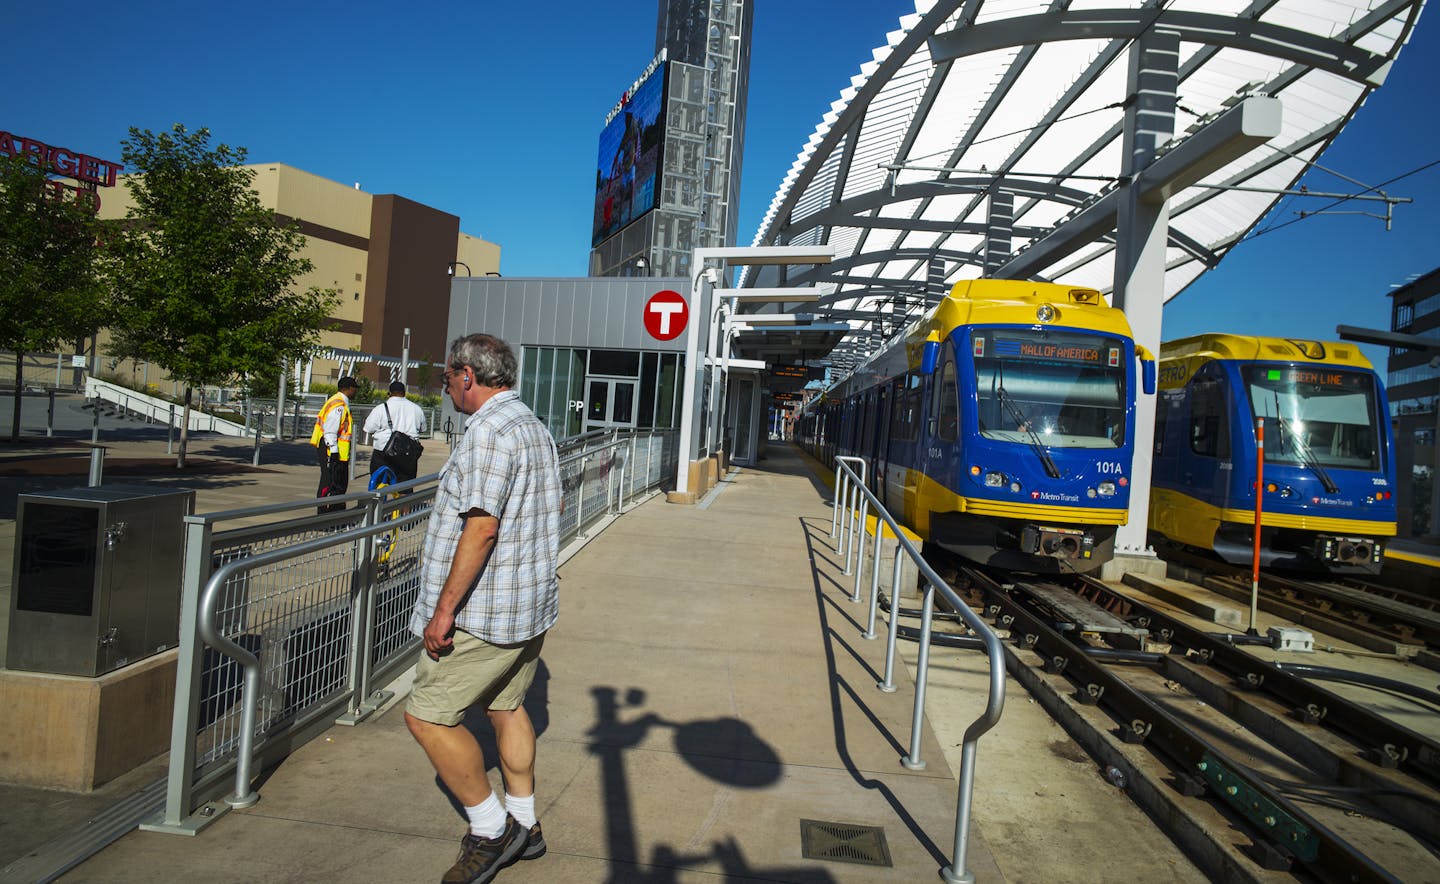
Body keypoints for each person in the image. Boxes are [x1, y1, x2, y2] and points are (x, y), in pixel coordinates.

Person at [405, 334, 561, 884]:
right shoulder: (532, 427)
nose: (446, 385)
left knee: (426, 716)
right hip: (528, 607)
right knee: (506, 708)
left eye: (448, 377)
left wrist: (444, 612)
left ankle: (492, 830)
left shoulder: (489, 434)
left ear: (467, 376)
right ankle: (526, 824)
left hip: (485, 615)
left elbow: (482, 527)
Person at [364, 381, 428, 483]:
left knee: (378, 486)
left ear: (389, 393)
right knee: (404, 487)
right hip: (407, 454)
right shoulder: (417, 409)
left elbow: (368, 428)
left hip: (383, 451)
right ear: (404, 393)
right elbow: (423, 429)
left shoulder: (381, 408)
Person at [310, 376, 357, 513]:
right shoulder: (339, 406)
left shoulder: (339, 402)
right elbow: (330, 431)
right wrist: (334, 453)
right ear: (349, 389)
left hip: (334, 450)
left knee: (339, 483)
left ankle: (335, 514)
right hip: (331, 450)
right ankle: (325, 515)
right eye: (355, 389)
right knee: (330, 482)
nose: (356, 392)